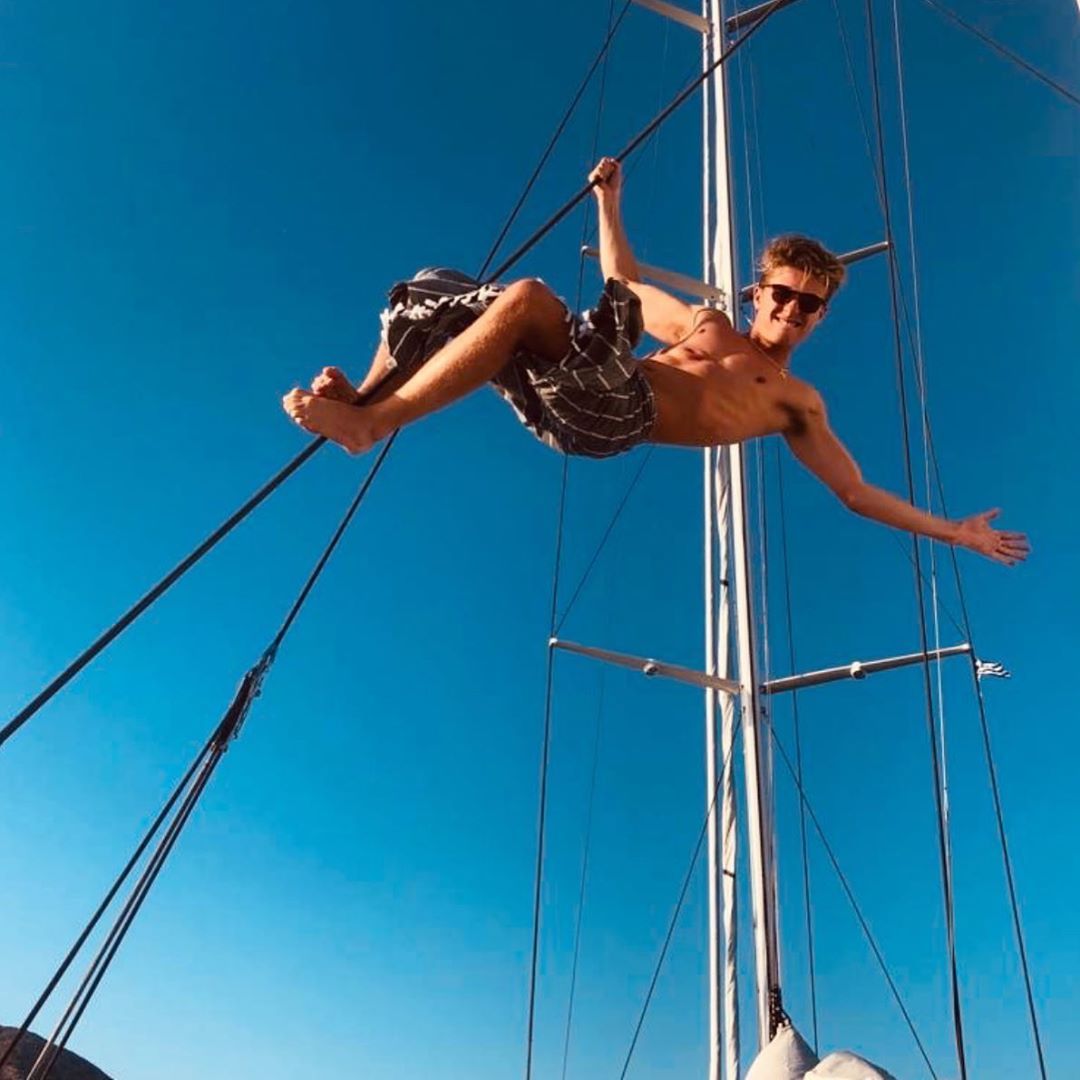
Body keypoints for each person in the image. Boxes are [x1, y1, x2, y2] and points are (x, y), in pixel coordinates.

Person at [282, 157, 1028, 566]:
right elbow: (629, 289)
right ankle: (367, 399)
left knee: (530, 299)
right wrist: (610, 204)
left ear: (820, 316)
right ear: (758, 293)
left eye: (809, 305)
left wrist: (953, 531)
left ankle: (371, 421)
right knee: (432, 286)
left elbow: (856, 493)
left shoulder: (796, 400)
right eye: (783, 294)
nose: (792, 310)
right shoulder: (707, 322)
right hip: (569, 394)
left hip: (621, 414)